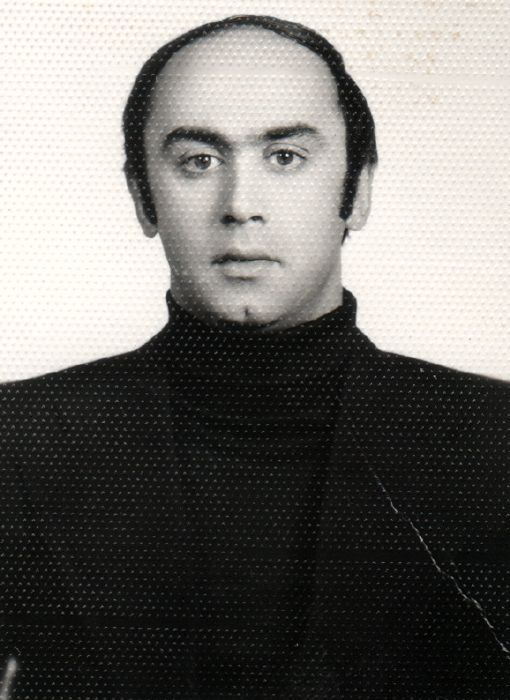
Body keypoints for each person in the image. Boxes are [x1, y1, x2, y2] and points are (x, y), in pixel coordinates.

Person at [1, 14, 508, 699]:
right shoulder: (17, 440)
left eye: (285, 157)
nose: (240, 205)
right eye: (198, 161)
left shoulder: (495, 440)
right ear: (142, 197)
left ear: (357, 190)